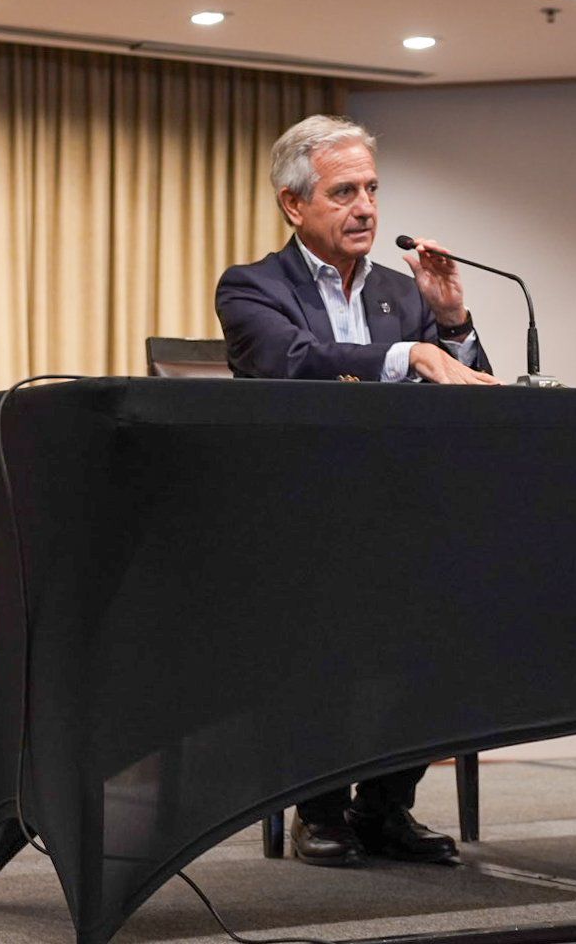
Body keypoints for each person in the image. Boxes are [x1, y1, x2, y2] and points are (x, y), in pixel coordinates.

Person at [214, 115, 498, 867]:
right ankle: (318, 807)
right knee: (328, 617)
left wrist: (452, 322)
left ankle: (383, 806)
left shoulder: (405, 297)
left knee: (457, 614)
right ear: (293, 204)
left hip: (398, 518)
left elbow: (467, 391)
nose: (366, 207)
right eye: (344, 192)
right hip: (296, 524)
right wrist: (411, 354)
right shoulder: (251, 289)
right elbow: (292, 361)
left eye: (371, 189)